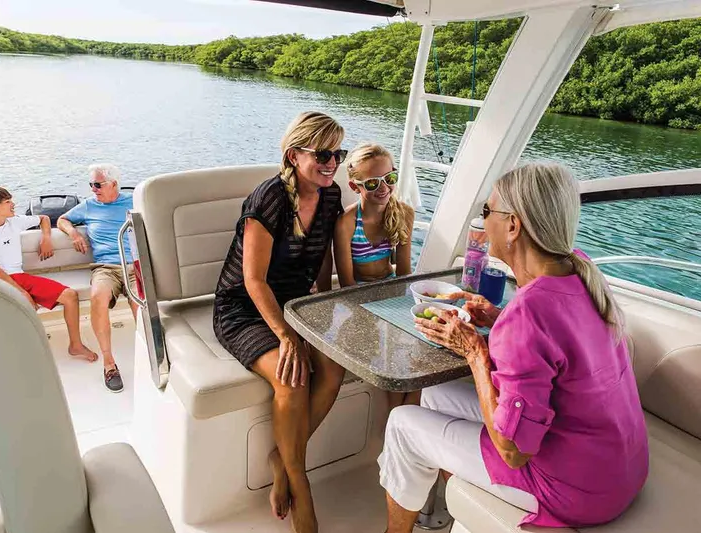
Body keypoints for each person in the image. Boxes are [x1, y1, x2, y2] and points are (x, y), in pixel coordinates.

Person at [379, 162, 648, 532]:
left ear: (513, 226)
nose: (482, 221)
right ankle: (458, 500)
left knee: (401, 423)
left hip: (574, 490)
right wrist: (497, 316)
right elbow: (551, 344)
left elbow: (513, 450)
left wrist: (475, 350)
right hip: (619, 469)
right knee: (436, 394)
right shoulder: (579, 269)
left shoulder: (528, 315)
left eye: (487, 212)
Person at [213, 111, 347, 533]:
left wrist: (323, 306)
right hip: (243, 308)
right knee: (292, 377)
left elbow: (323, 257)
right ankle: (299, 483)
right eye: (323, 153)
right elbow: (252, 281)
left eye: (338, 153)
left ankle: (280, 458)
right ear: (294, 155)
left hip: (295, 305)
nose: (332, 162)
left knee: (334, 367)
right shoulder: (269, 199)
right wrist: (288, 337)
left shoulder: (330, 195)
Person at [333, 142, 417, 410]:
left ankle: (403, 417)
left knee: (416, 354)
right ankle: (397, 418)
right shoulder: (346, 223)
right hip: (360, 297)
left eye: (389, 179)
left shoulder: (404, 213)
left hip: (392, 293)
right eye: (372, 183)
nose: (383, 188)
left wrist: (404, 313)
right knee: (387, 356)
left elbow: (404, 273)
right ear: (355, 186)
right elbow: (347, 283)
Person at [0, 186, 97, 362]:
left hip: (19, 277)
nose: (13, 204)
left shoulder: (14, 222)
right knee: (22, 307)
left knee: (70, 295)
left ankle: (75, 346)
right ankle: (16, 354)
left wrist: (46, 239)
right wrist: (23, 293)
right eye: (7, 202)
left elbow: (44, 218)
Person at [57, 163, 136, 393]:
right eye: (91, 184)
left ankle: (151, 354)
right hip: (105, 268)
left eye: (97, 184)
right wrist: (73, 233)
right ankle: (109, 363)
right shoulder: (89, 206)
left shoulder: (133, 202)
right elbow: (62, 219)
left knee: (140, 303)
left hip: (133, 266)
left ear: (113, 184)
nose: (93, 189)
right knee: (98, 297)